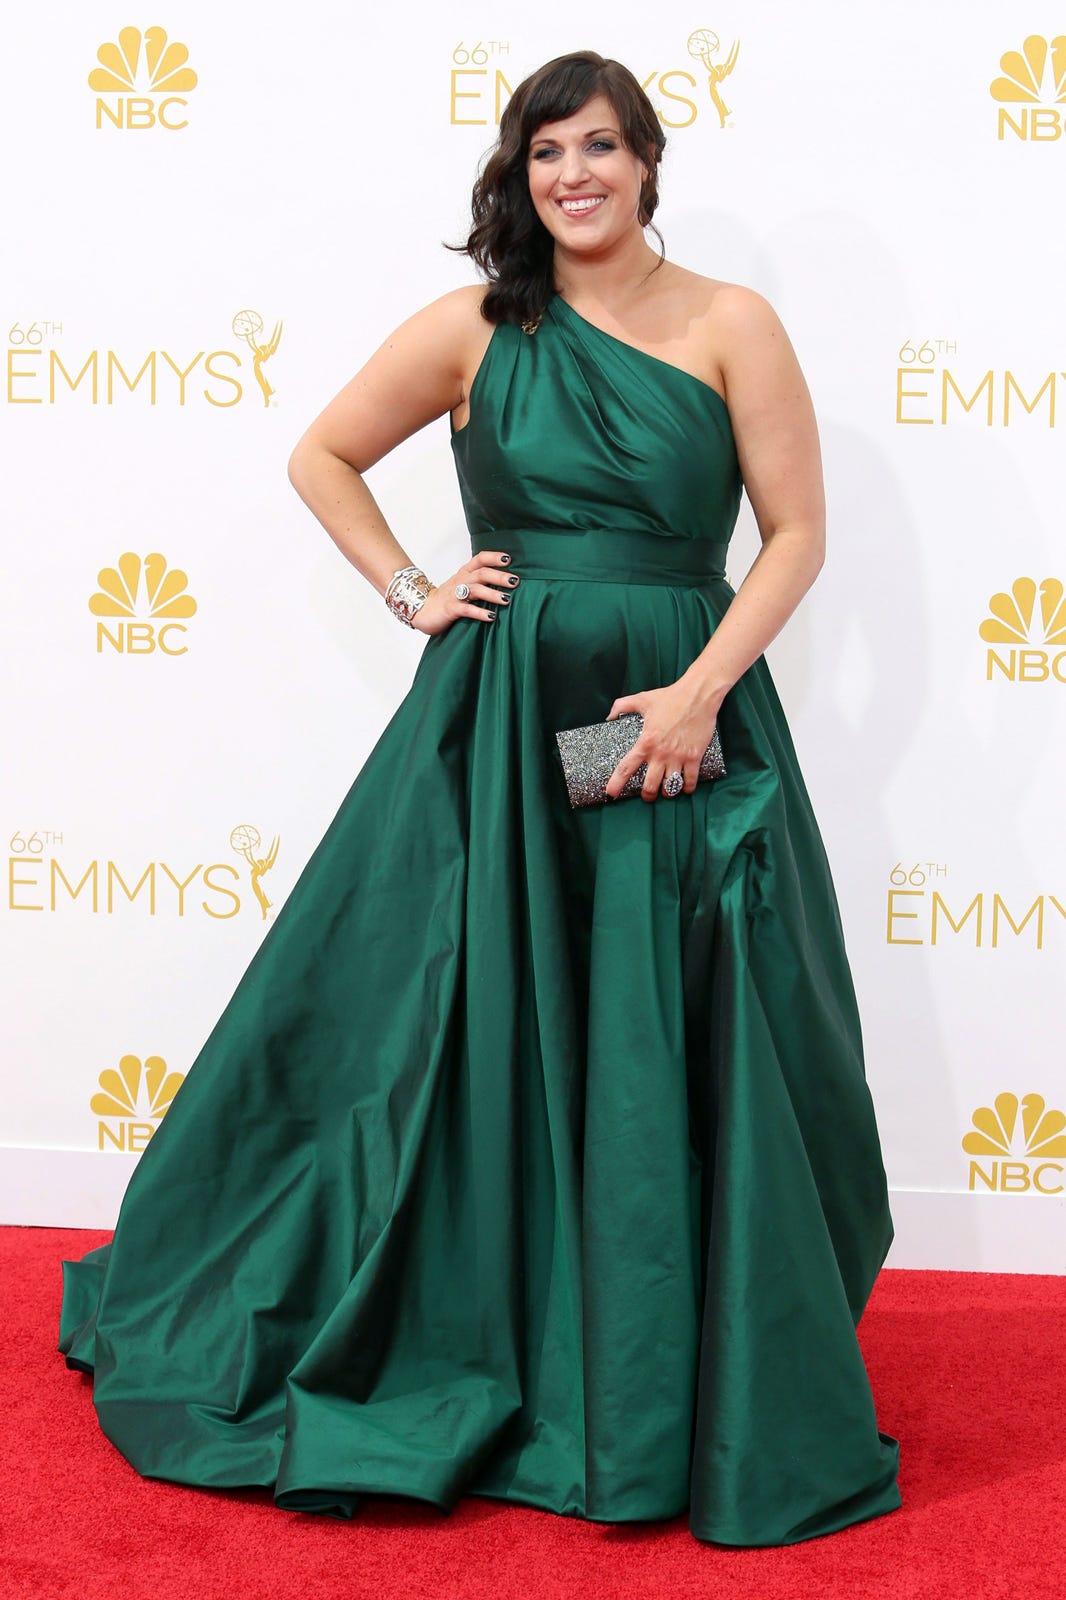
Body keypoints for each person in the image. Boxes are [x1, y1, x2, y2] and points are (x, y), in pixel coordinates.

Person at [59, 50, 901, 1547]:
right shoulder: (474, 329)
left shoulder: (732, 323)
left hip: (672, 721)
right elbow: (322, 453)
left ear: (648, 162)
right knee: (467, 1020)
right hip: (504, 722)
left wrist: (700, 691)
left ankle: (668, 1358)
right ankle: (492, 1335)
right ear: (519, 175)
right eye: (545, 152)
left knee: (685, 1028)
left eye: (599, 146)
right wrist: (413, 589)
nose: (573, 175)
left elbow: (793, 535)